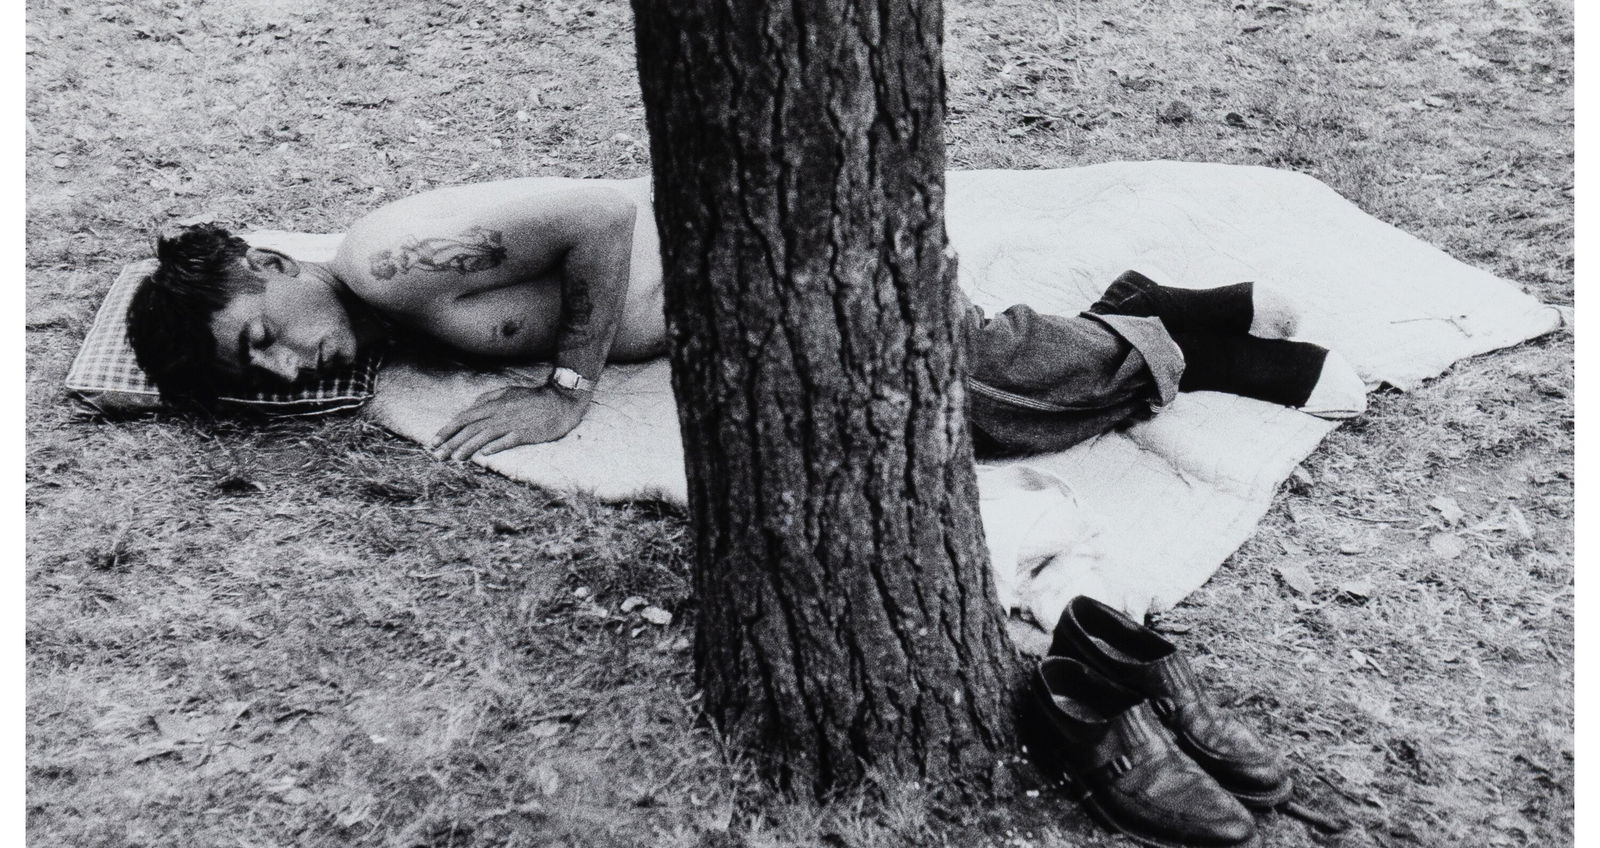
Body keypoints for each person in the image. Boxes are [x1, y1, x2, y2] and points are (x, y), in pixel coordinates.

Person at [127, 179, 1364, 461]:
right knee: (936, 422)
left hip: (775, 244)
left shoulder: (385, 261)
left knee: (966, 397)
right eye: (259, 371)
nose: (284, 366)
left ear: (265, 260)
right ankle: (1151, 313)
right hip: (734, 302)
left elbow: (600, 217)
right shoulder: (368, 309)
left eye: (260, 330)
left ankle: (1190, 344)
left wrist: (564, 392)